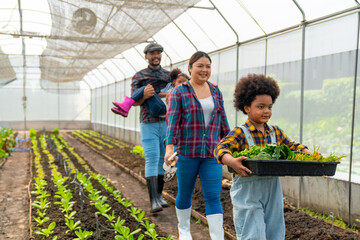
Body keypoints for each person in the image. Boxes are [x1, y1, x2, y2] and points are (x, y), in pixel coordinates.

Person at [213, 73, 312, 240]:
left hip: (272, 190)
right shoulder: (240, 132)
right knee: (253, 233)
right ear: (246, 108)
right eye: (260, 106)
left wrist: (310, 154)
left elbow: (293, 146)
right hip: (247, 192)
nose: (266, 111)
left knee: (275, 231)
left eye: (269, 107)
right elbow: (220, 149)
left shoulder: (275, 132)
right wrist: (233, 163)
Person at [164, 51, 230, 240]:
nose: (204, 70)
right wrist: (169, 148)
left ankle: (217, 237)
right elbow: (173, 123)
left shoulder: (216, 91)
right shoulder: (179, 91)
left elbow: (223, 121)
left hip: (211, 153)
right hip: (187, 153)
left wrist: (231, 144)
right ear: (190, 68)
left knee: (213, 196)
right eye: (200, 66)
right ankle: (184, 231)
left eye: (208, 66)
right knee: (185, 193)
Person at [123, 42, 171, 213]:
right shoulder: (139, 76)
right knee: (152, 157)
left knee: (162, 160)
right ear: (146, 56)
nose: (155, 56)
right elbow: (134, 102)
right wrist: (144, 96)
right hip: (148, 122)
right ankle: (153, 201)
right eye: (152, 54)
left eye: (158, 53)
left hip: (166, 123)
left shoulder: (167, 75)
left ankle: (159, 195)